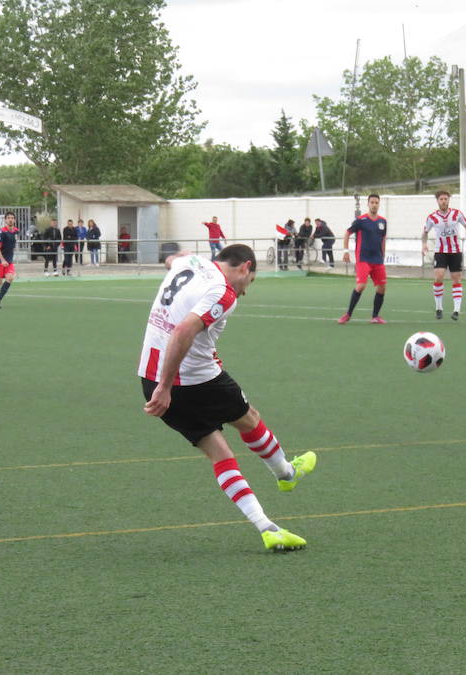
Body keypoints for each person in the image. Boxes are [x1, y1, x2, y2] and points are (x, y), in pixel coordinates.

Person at [139, 244, 316, 551]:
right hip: (193, 380)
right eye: (251, 281)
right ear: (245, 267)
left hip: (148, 377)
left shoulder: (188, 261)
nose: (246, 291)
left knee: (220, 455)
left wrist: (160, 386)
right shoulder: (223, 292)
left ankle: (268, 528)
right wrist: (167, 386)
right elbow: (183, 331)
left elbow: (172, 258)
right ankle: (286, 473)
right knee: (250, 420)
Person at [422, 190, 466, 321]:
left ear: (448, 200)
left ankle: (456, 311)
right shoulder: (432, 217)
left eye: (446, 199)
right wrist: (424, 244)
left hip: (455, 251)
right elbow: (425, 232)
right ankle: (438, 308)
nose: (444, 201)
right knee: (438, 277)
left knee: (456, 279)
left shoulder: (456, 214)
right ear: (437, 201)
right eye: (441, 199)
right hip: (440, 251)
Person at [338, 194, 388, 324]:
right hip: (363, 258)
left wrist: (383, 254)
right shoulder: (360, 220)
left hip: (377, 259)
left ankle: (375, 316)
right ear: (368, 203)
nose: (374, 204)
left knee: (382, 287)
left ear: (379, 204)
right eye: (372, 202)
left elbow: (383, 239)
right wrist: (345, 251)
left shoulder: (383, 221)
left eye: (376, 202)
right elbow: (347, 233)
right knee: (361, 285)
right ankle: (348, 314)